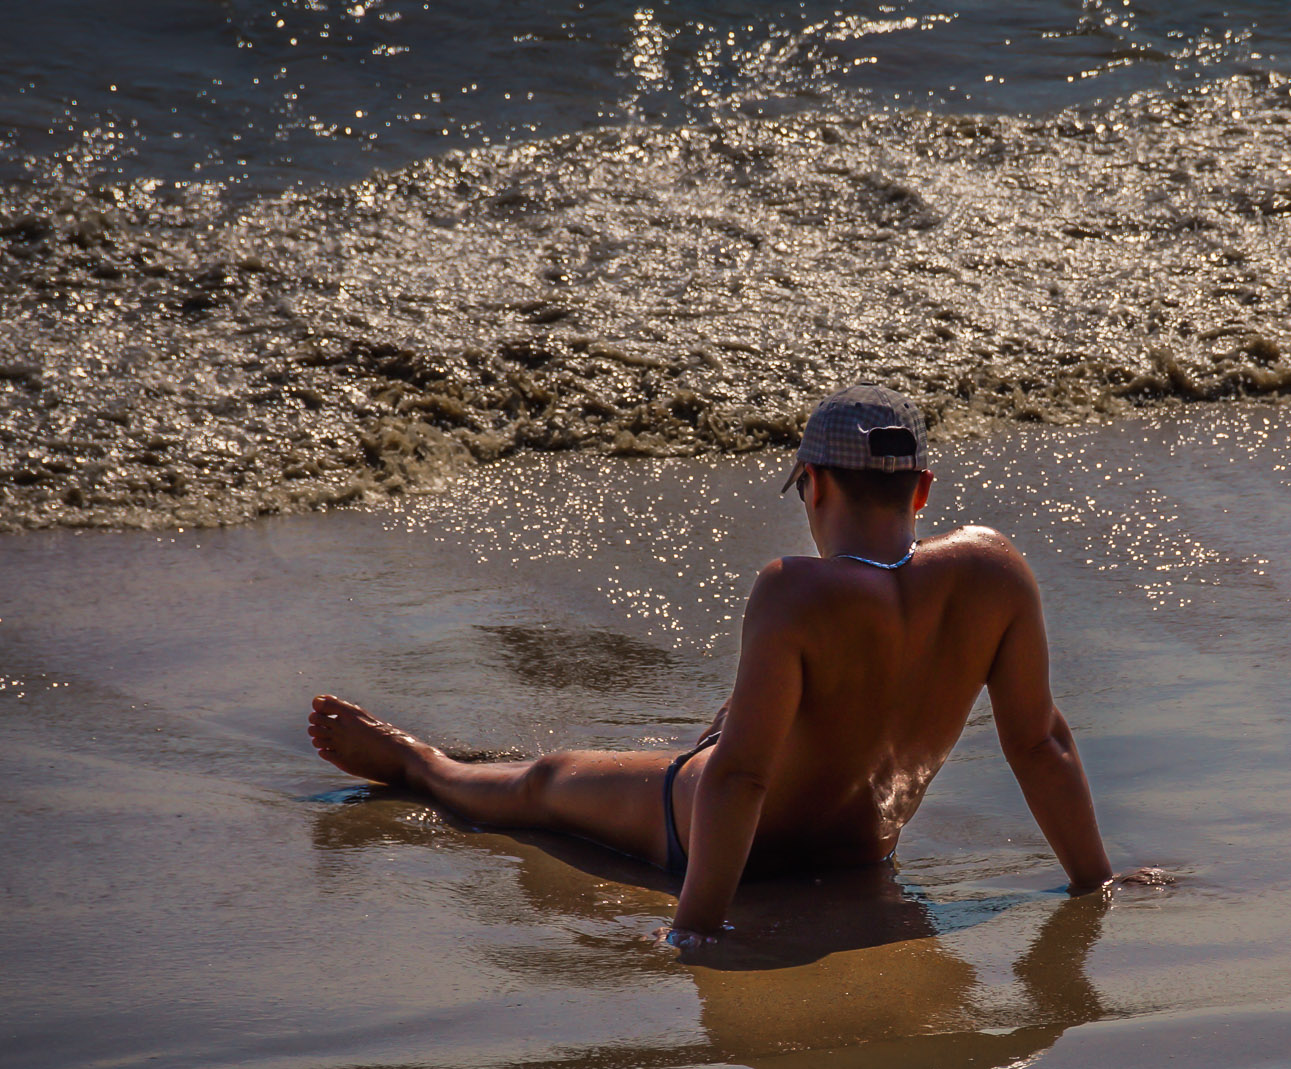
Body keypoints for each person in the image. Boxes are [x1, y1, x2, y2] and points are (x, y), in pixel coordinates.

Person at [308, 382, 1132, 955]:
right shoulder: (995, 571)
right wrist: (1095, 880)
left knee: (545, 782)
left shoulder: (794, 591)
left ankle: (423, 765)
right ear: (920, 491)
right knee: (748, 721)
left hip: (716, 840)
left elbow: (740, 779)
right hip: (858, 851)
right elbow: (1040, 744)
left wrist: (696, 925)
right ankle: (716, 726)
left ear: (813, 486)